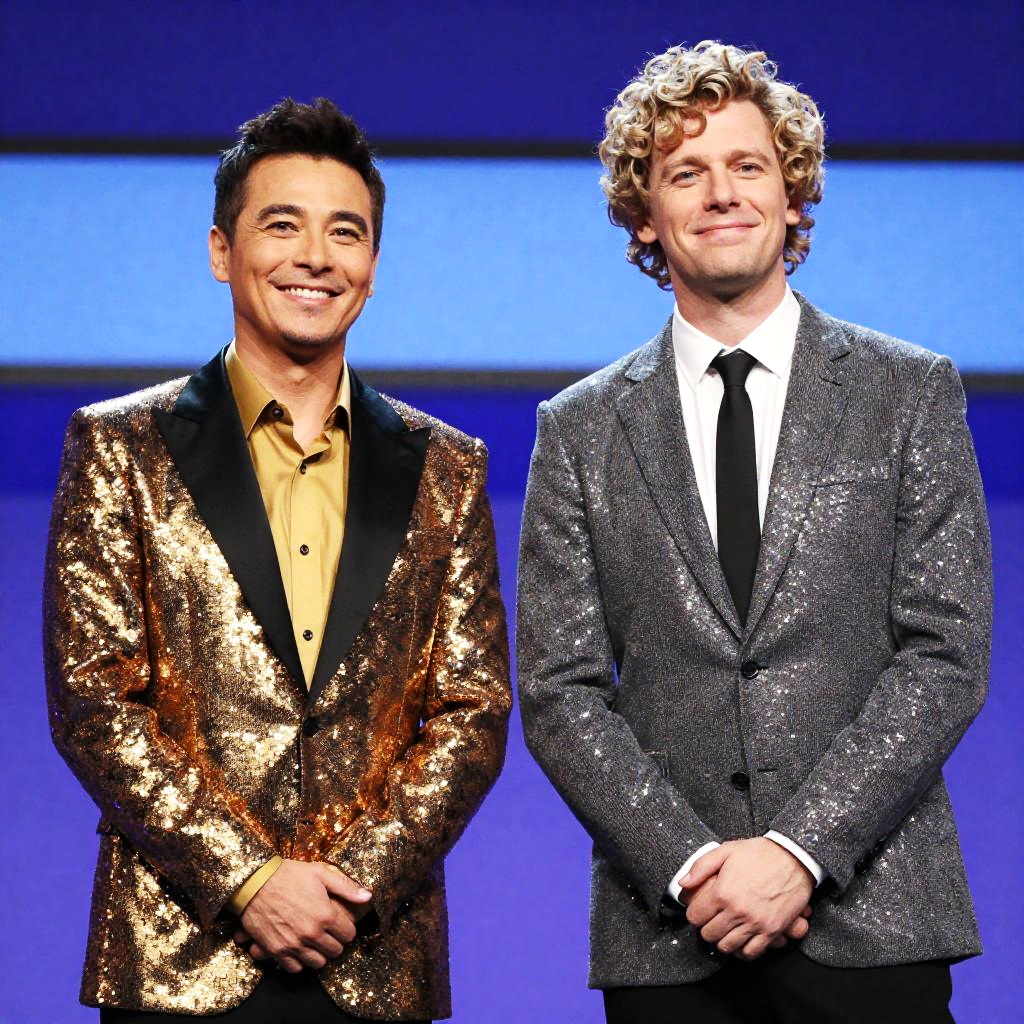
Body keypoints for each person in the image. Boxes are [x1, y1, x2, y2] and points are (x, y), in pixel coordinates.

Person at [517, 41, 991, 1023]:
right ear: (645, 214)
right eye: (686, 172)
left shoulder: (909, 392)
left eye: (747, 165)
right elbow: (558, 690)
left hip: (875, 925)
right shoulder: (579, 429)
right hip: (671, 939)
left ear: (792, 193)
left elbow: (946, 654)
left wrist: (800, 851)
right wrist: (689, 865)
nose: (722, 193)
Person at [44, 97, 511, 1023]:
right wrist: (248, 879)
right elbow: (92, 697)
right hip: (176, 961)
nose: (316, 257)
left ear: (372, 267)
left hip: (372, 955)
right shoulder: (119, 445)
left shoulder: (446, 467)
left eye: (346, 232)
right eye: (282, 225)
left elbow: (474, 709)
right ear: (222, 251)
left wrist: (351, 884)